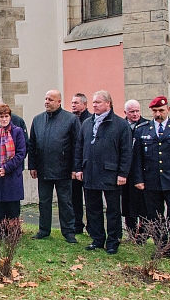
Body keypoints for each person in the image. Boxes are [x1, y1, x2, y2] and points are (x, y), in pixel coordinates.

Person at [133, 96, 170, 263]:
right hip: (151, 181)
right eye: (155, 111)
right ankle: (160, 246)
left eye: (161, 110)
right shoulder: (143, 130)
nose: (158, 114)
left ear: (168, 110)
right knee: (155, 216)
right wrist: (139, 179)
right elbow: (137, 158)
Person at [74, 91, 132, 254]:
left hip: (111, 174)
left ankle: (113, 241)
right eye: (93, 102)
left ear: (108, 103)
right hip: (90, 172)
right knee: (93, 208)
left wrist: (123, 173)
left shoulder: (120, 125)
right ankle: (97, 238)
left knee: (113, 210)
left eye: (98, 102)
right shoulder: (87, 123)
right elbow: (79, 147)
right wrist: (78, 168)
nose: (94, 105)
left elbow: (126, 151)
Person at [28, 90, 80, 243]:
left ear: (59, 102)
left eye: (50, 99)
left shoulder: (70, 119)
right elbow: (32, 145)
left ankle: (69, 232)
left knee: (65, 201)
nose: (47, 102)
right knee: (44, 201)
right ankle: (44, 229)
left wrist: (74, 168)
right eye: (45, 99)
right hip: (43, 168)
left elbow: (77, 145)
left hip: (63, 169)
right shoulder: (37, 120)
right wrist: (32, 165)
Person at [123, 99, 149, 238]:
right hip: (126, 173)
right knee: (128, 206)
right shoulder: (121, 126)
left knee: (143, 206)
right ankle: (131, 234)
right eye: (132, 111)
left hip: (142, 173)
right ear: (125, 112)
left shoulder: (146, 125)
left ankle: (143, 235)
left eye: (137, 111)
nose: (135, 114)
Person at [70, 93, 91, 234]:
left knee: (90, 199)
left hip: (88, 165)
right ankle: (77, 225)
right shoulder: (70, 120)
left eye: (76, 103)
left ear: (84, 104)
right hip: (74, 166)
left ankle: (92, 226)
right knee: (74, 198)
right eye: (72, 102)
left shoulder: (90, 120)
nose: (73, 105)